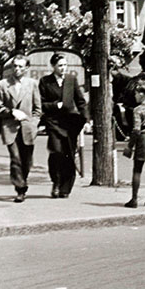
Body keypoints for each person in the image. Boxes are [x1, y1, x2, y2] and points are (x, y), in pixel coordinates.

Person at [39, 53, 88, 198]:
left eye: (65, 65)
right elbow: (41, 104)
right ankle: (56, 182)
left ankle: (66, 187)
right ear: (53, 66)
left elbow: (80, 101)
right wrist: (55, 105)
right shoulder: (45, 82)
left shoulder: (71, 80)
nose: (63, 68)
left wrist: (86, 119)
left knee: (69, 154)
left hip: (70, 124)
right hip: (53, 123)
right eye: (60, 65)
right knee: (57, 152)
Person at [0, 54, 41, 203]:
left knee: (27, 161)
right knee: (15, 159)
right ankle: (20, 189)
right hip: (10, 127)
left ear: (27, 68)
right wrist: (11, 112)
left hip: (28, 127)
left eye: (21, 66)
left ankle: (23, 181)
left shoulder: (33, 84)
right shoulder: (2, 84)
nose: (17, 69)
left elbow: (37, 108)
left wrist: (34, 123)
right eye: (15, 66)